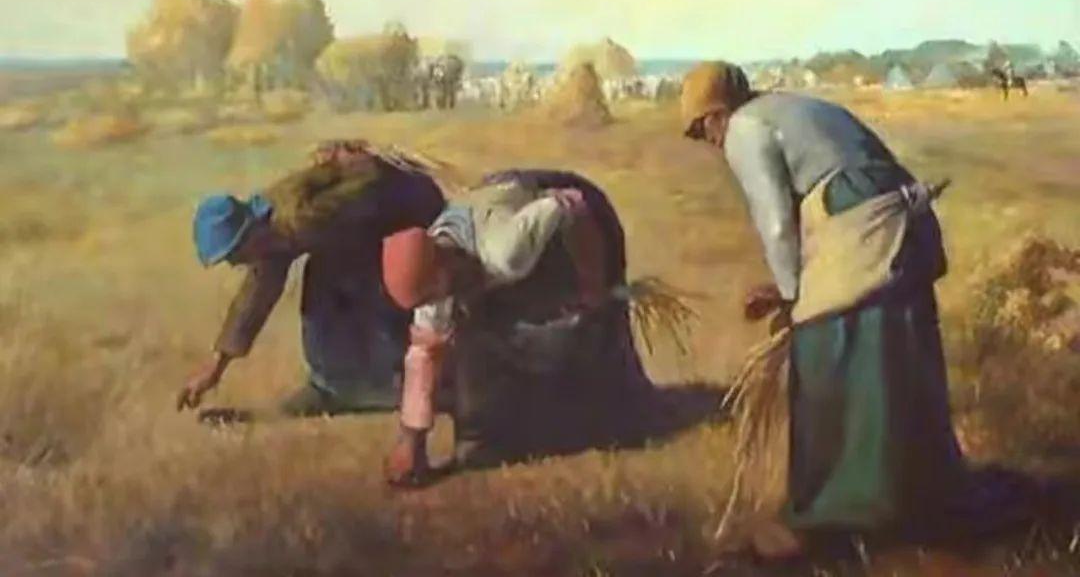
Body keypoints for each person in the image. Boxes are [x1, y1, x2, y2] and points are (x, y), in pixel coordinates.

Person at [680, 61, 982, 561]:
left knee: (825, 348)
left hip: (861, 225)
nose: (705, 141)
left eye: (700, 129)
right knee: (899, 354)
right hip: (899, 225)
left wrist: (790, 292)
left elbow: (776, 220)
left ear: (716, 114)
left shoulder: (744, 127)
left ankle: (834, 511)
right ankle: (920, 498)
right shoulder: (802, 107)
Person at [379, 168, 657, 486]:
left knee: (583, 323)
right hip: (508, 210)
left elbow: (571, 203)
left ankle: (619, 414)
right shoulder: (435, 280)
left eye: (435, 293)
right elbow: (425, 355)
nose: (434, 302)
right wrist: (411, 443)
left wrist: (590, 280)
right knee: (485, 330)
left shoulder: (504, 251)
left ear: (447, 263)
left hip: (569, 207)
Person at [177, 141, 444, 418]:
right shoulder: (270, 232)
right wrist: (216, 368)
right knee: (325, 288)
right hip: (363, 230)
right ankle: (335, 384)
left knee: (357, 288)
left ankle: (393, 383)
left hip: (410, 207)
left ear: (248, 234)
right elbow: (255, 298)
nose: (234, 263)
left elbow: (372, 181)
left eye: (233, 253)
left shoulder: (303, 218)